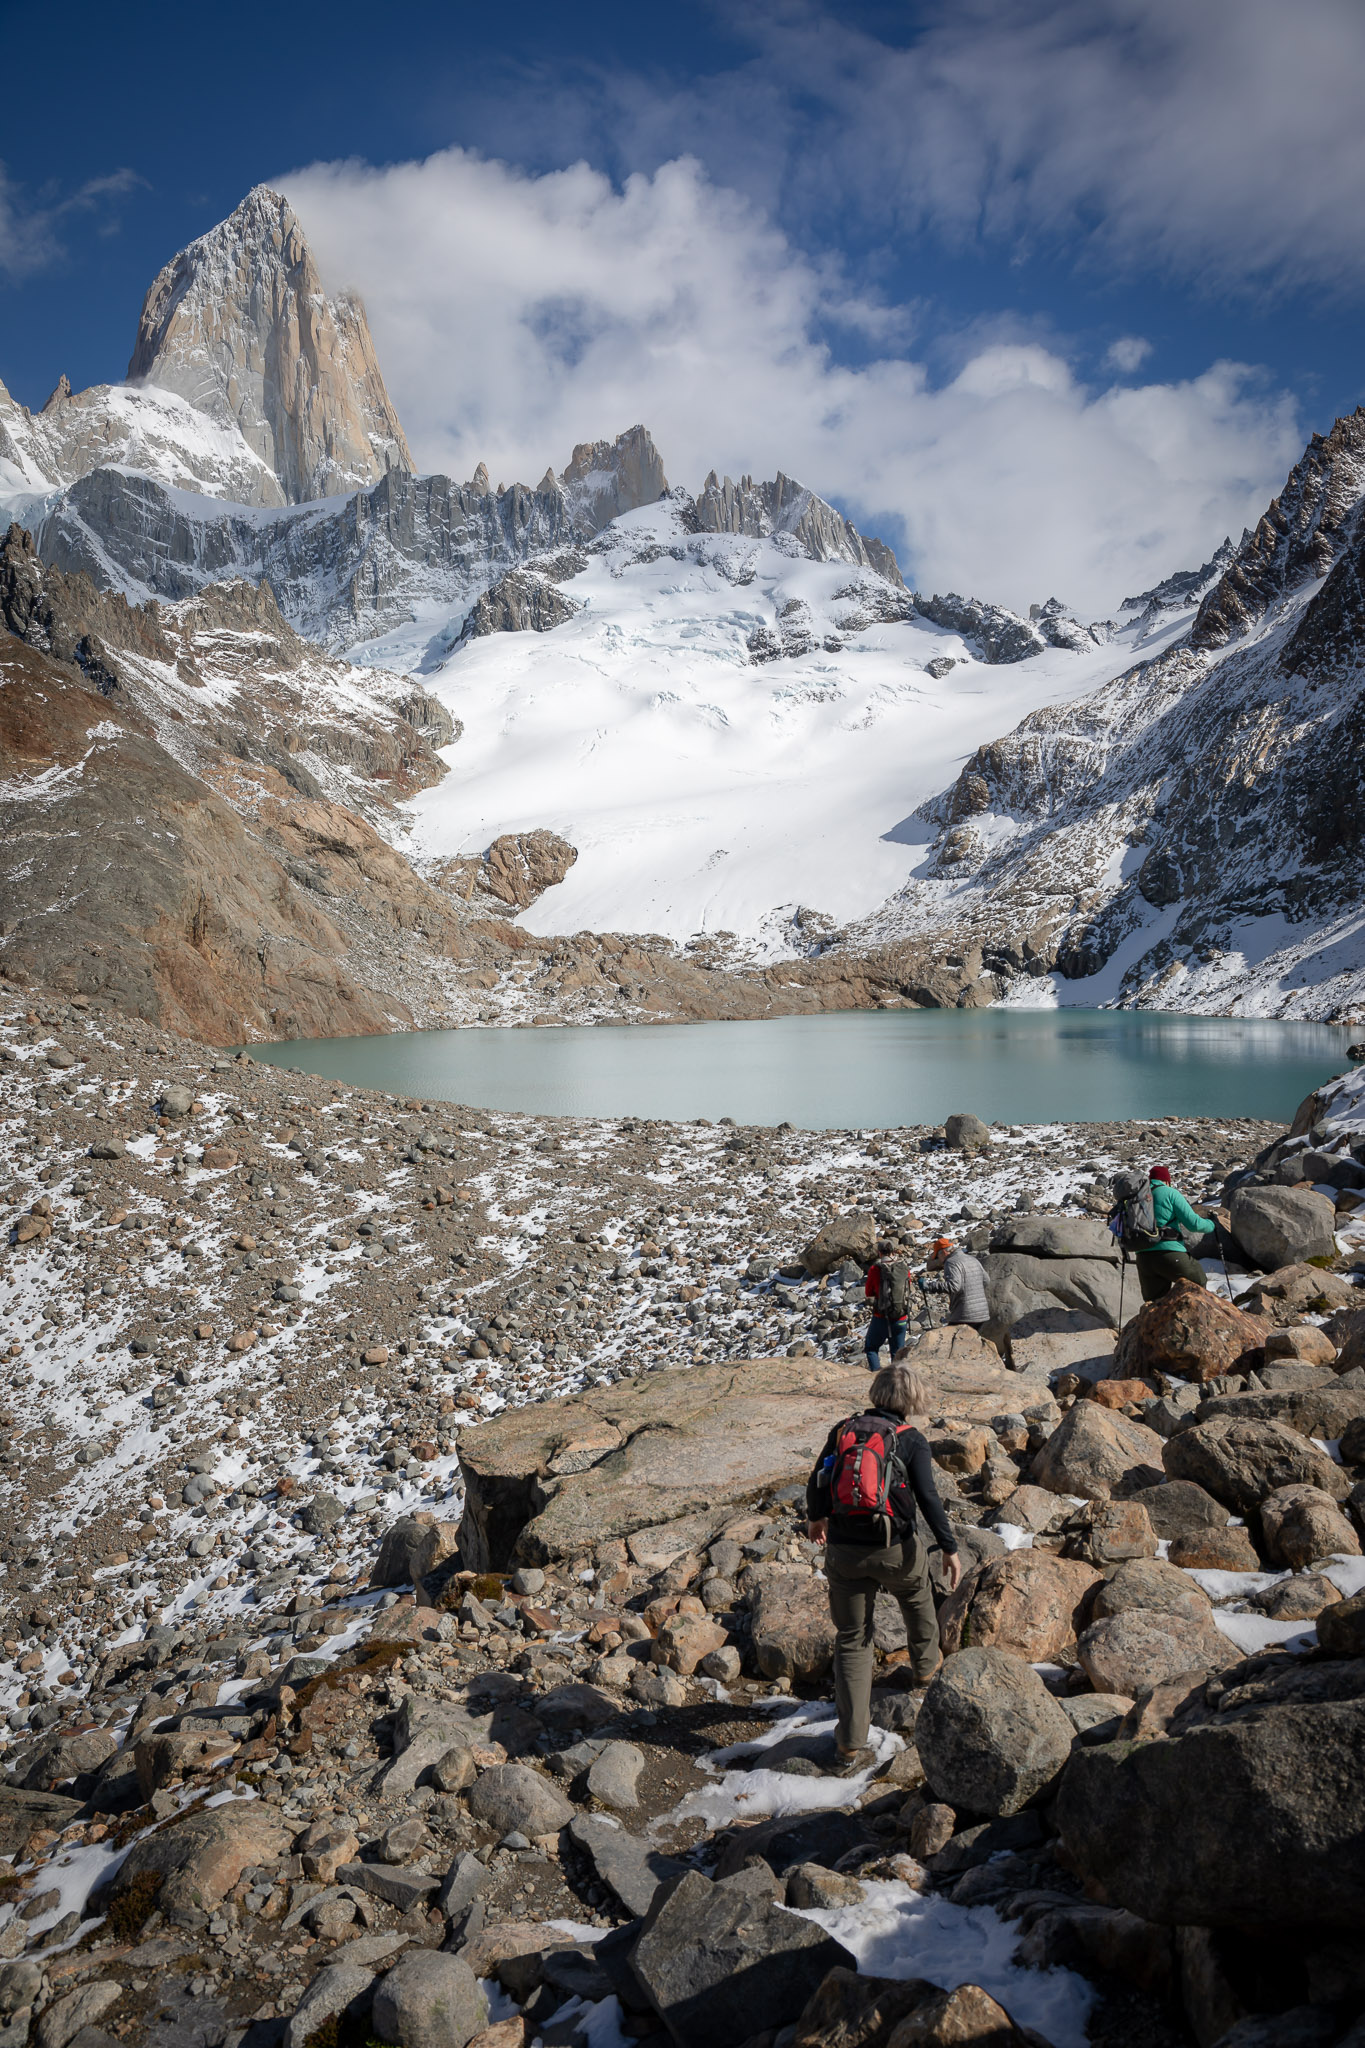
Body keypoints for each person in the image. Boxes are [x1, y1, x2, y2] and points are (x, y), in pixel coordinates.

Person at [807, 1361, 962, 1770]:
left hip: (844, 1549)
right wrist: (949, 1547)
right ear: (911, 1400)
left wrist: (816, 1518)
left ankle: (848, 1745)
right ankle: (925, 1672)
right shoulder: (911, 1439)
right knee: (916, 1596)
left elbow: (818, 1479)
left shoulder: (844, 1429)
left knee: (853, 1638)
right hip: (895, 1547)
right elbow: (928, 1499)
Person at [1135, 1164, 1217, 1301]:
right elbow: (1194, 1224)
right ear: (1166, 1181)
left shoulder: (1138, 1196)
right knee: (1198, 1283)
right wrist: (1212, 1224)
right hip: (1169, 1254)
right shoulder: (1169, 1193)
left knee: (1155, 1304)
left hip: (1143, 1258)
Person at [920, 1235, 990, 1328]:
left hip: (965, 1315)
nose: (939, 1260)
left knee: (953, 1339)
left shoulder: (951, 1262)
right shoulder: (972, 1259)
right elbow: (986, 1281)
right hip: (982, 1313)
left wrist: (930, 1286)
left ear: (944, 1252)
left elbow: (954, 1286)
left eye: (937, 1256)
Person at [862, 1240, 909, 1364]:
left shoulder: (875, 1269)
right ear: (893, 1251)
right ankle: (900, 1381)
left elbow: (868, 1293)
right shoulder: (903, 1267)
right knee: (898, 1354)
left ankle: (878, 1378)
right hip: (901, 1316)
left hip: (882, 1317)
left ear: (879, 1253)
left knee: (871, 1348)